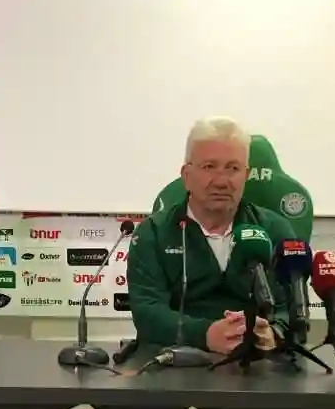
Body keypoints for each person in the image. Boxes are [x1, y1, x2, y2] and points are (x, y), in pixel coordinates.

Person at [126, 116, 295, 355]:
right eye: (209, 167)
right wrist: (205, 334)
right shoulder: (153, 233)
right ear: (187, 175)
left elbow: (291, 311)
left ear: (246, 175)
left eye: (233, 168)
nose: (222, 181)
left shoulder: (275, 230)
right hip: (177, 362)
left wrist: (273, 333)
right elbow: (147, 314)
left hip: (257, 362)